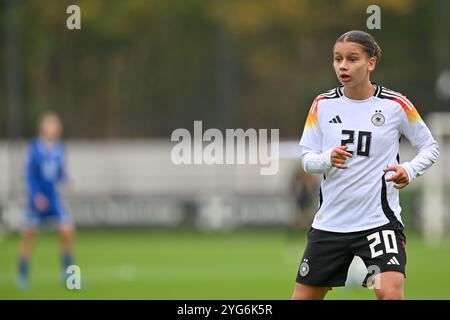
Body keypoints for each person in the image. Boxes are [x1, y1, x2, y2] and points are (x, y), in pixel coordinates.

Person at [291, 30, 439, 300]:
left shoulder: (395, 104)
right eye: (337, 59)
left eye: (352, 59)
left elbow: (430, 146)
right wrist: (326, 158)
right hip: (331, 224)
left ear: (371, 63)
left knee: (390, 293)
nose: (343, 66)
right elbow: (307, 159)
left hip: (378, 222)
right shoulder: (322, 105)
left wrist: (409, 169)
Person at [17, 112, 75, 288]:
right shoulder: (34, 148)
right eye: (50, 125)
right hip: (37, 200)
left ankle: (70, 278)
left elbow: (58, 174)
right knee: (29, 237)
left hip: (53, 198)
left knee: (67, 232)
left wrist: (67, 179)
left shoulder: (60, 149)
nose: (54, 128)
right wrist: (36, 196)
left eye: (56, 125)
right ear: (43, 127)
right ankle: (23, 276)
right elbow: (29, 176)